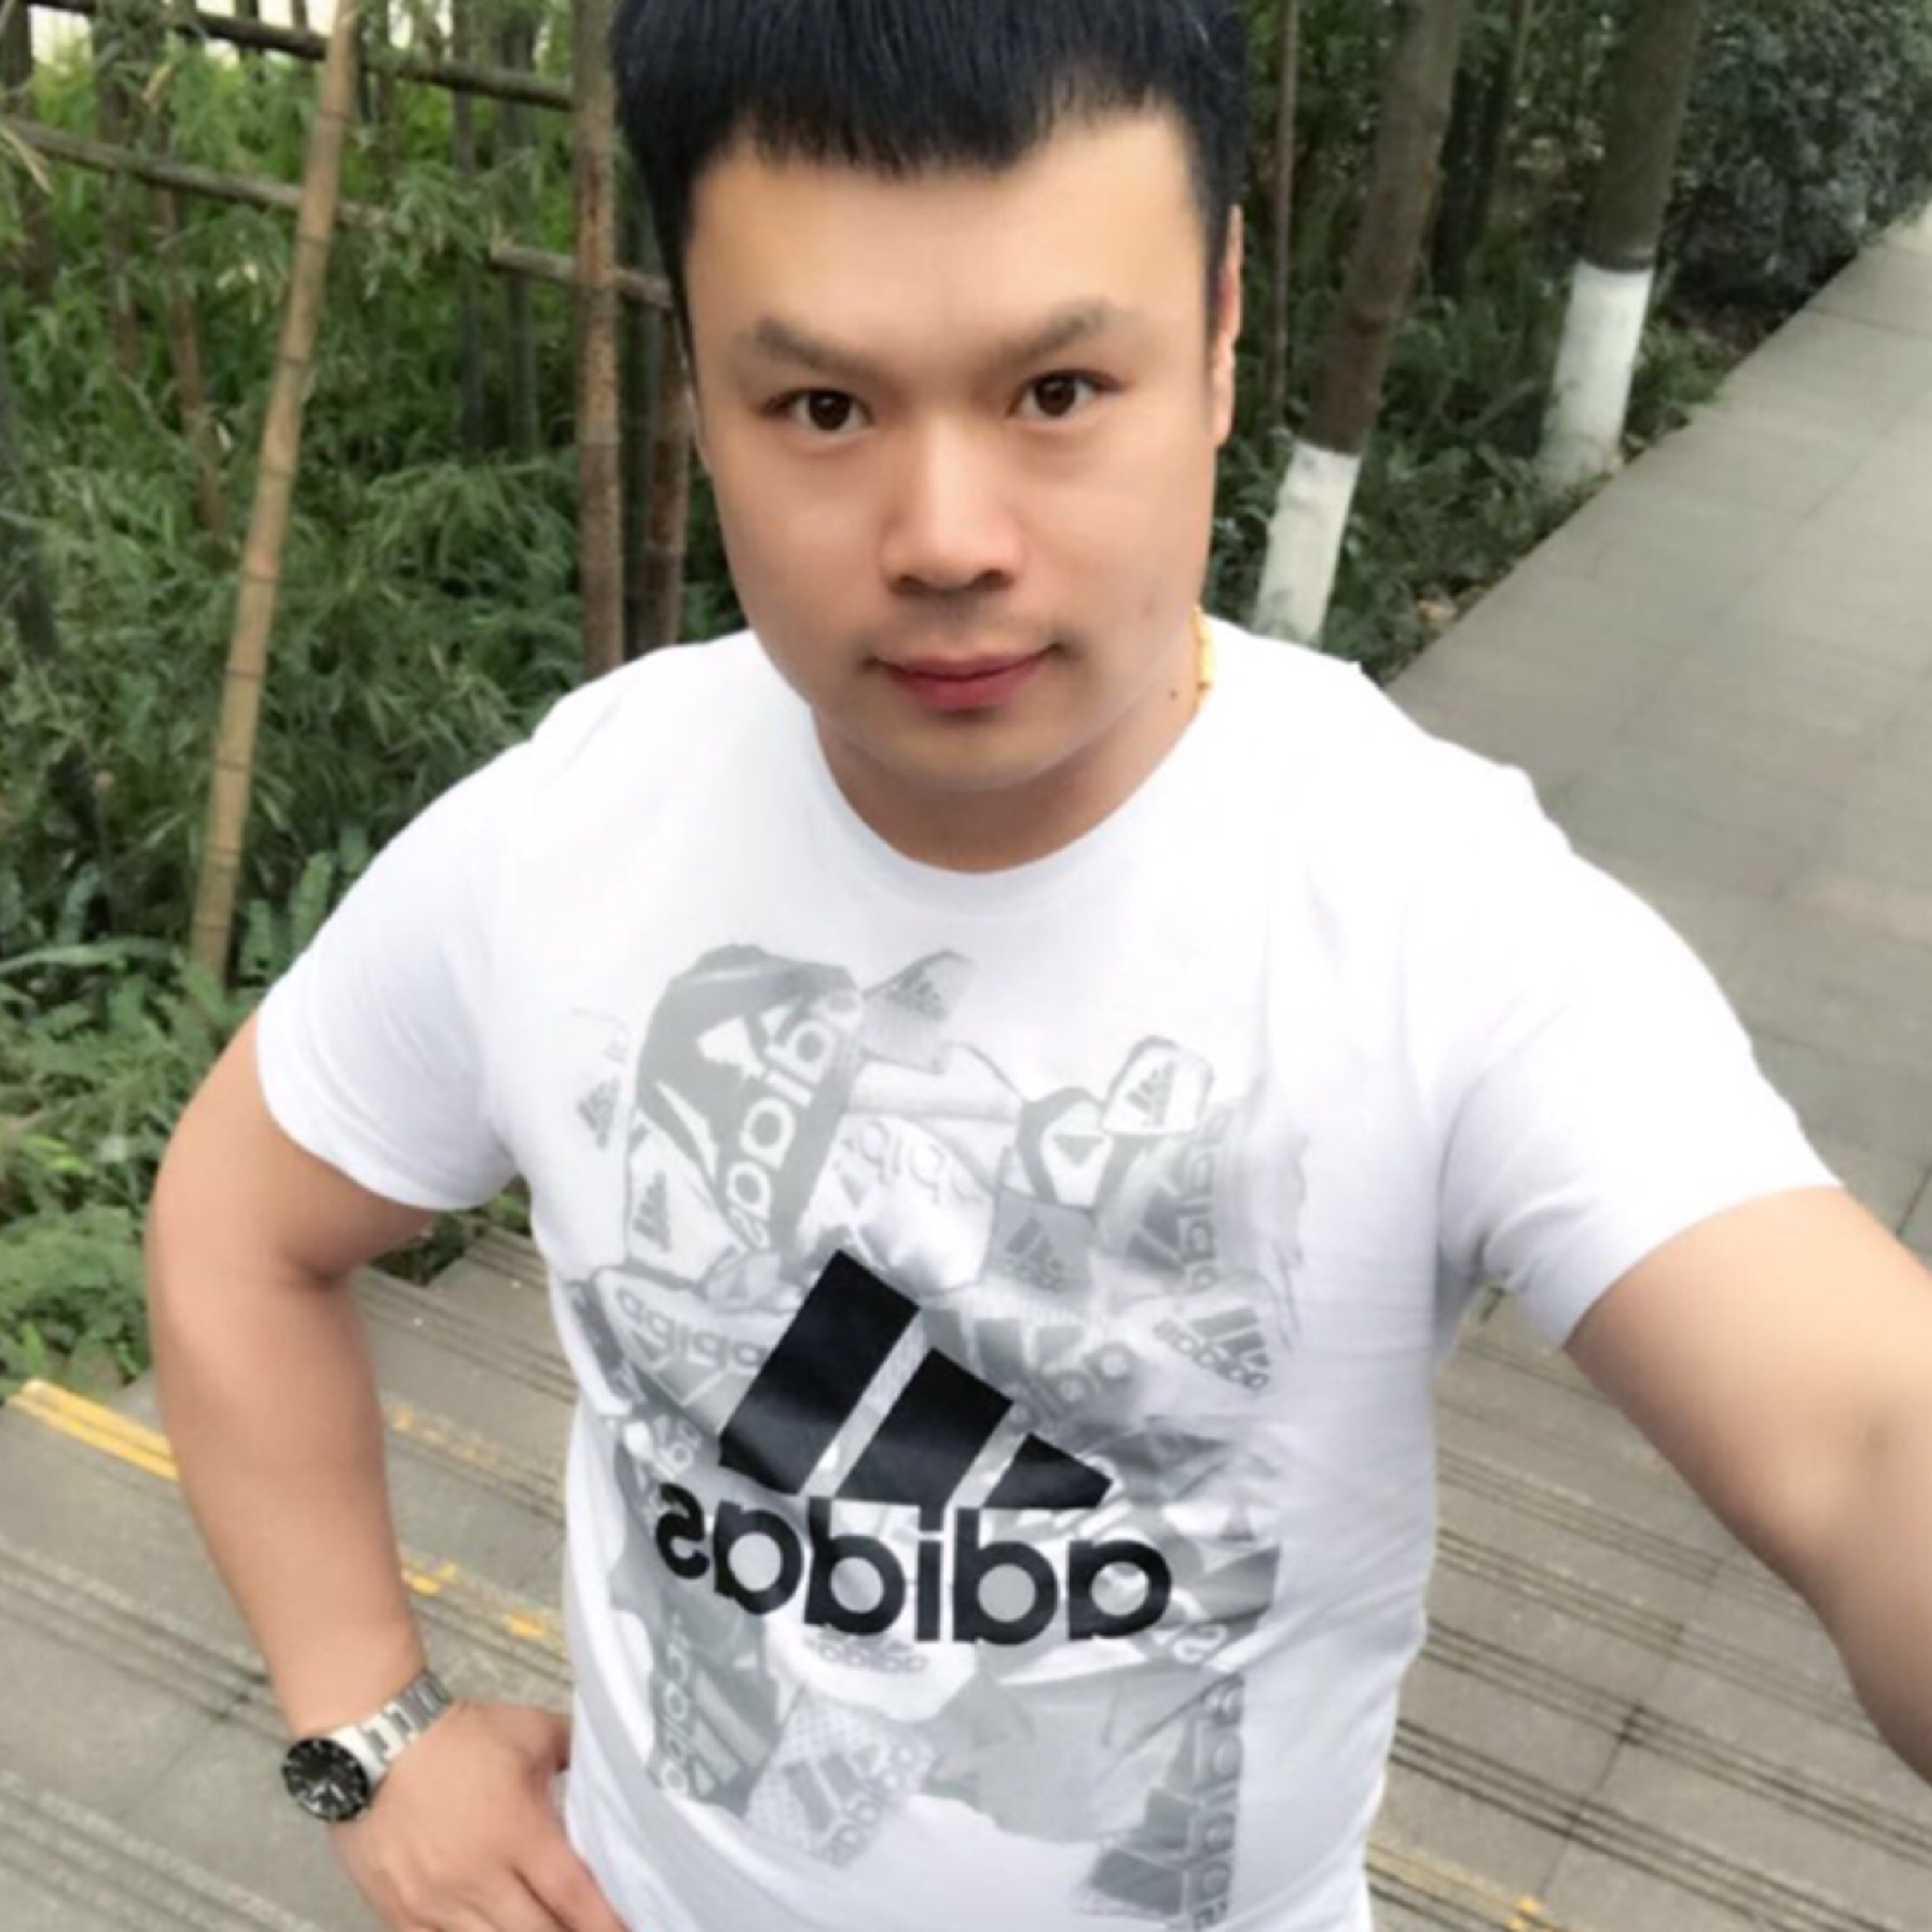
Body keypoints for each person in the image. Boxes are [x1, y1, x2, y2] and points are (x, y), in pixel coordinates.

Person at [144, 3, 1932, 1929]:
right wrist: (365, 1729)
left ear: (1222, 324)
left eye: (1059, 388)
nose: (946, 541)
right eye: (823, 409)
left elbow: (1862, 1438)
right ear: (699, 376)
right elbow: (238, 1222)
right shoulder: (566, 841)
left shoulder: (1433, 911)